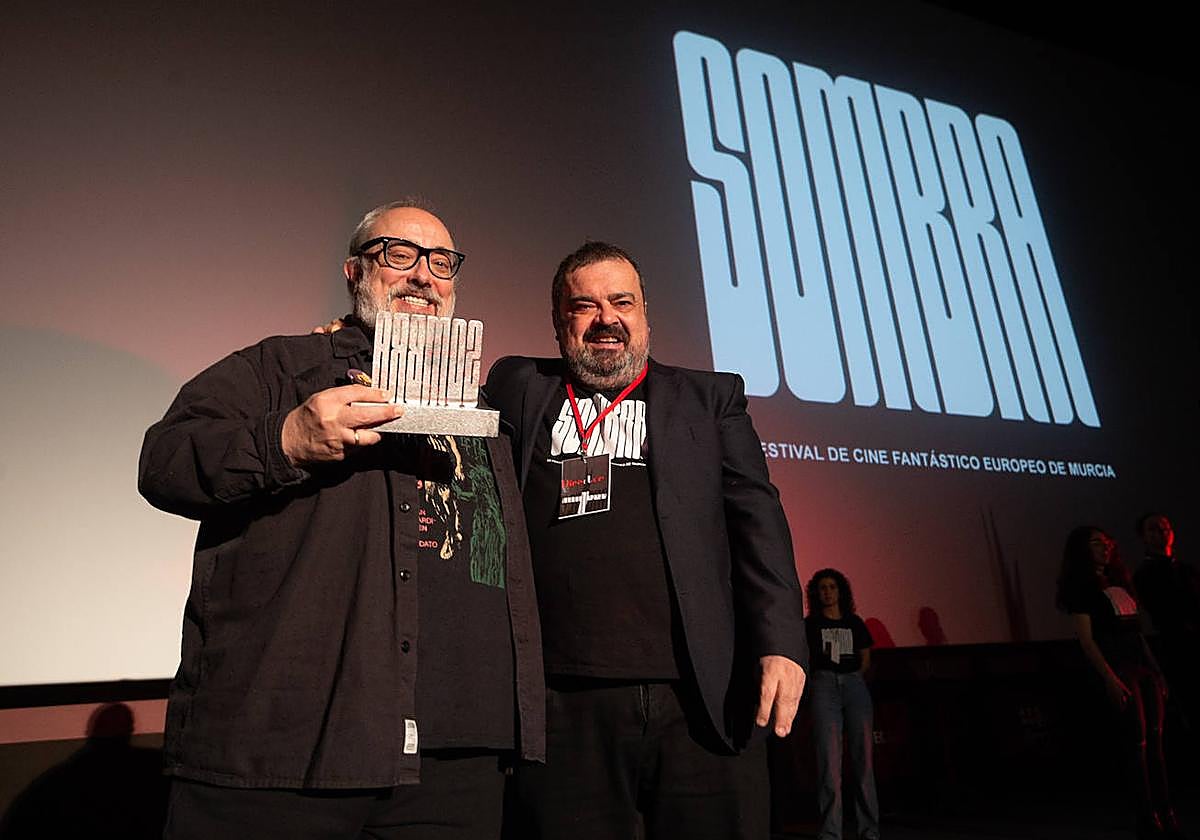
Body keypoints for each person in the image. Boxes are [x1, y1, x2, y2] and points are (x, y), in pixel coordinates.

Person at [138, 201, 544, 840]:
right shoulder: (277, 369)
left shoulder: (484, 407)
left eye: (441, 262)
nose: (423, 275)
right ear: (355, 272)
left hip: (455, 763)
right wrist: (286, 440)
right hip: (290, 757)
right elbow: (162, 462)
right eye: (398, 254)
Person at [482, 241, 807, 839]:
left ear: (645, 315)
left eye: (621, 301)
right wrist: (349, 337)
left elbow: (758, 521)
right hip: (560, 703)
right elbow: (429, 400)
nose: (607, 318)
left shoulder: (710, 399)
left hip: (699, 698)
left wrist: (783, 640)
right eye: (585, 305)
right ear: (559, 324)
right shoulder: (518, 386)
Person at [1056, 526, 1181, 839]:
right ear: (1082, 550)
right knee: (1136, 744)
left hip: (1142, 669)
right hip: (1118, 668)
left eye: (1106, 542)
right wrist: (1109, 679)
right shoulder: (1080, 588)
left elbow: (1138, 635)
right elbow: (1087, 641)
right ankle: (1147, 817)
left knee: (1156, 744)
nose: (1104, 548)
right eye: (1095, 543)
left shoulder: (1121, 583)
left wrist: (1157, 671)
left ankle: (1167, 811)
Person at [804, 569, 880, 840]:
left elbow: (866, 656)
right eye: (822, 587)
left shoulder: (854, 622)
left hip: (853, 684)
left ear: (840, 591)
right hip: (823, 686)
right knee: (829, 763)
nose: (827, 592)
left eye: (832, 587)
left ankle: (869, 831)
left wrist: (855, 677)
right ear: (817, 592)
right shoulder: (810, 625)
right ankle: (830, 833)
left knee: (864, 761)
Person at [1133, 512, 1199, 733]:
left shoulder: (1186, 570)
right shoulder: (1144, 575)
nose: (1162, 532)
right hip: (1176, 650)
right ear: (1143, 536)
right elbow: (1164, 609)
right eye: (1154, 529)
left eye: (1165, 528)